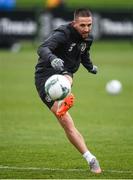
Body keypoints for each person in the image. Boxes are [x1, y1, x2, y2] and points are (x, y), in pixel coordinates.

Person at [35, 8, 102, 174]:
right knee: (66, 119)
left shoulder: (88, 38)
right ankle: (66, 97)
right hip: (46, 75)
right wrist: (53, 59)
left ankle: (91, 159)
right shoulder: (63, 33)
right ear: (74, 23)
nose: (86, 29)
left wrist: (90, 67)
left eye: (89, 25)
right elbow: (42, 48)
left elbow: (84, 53)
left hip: (66, 73)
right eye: (82, 25)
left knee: (66, 121)